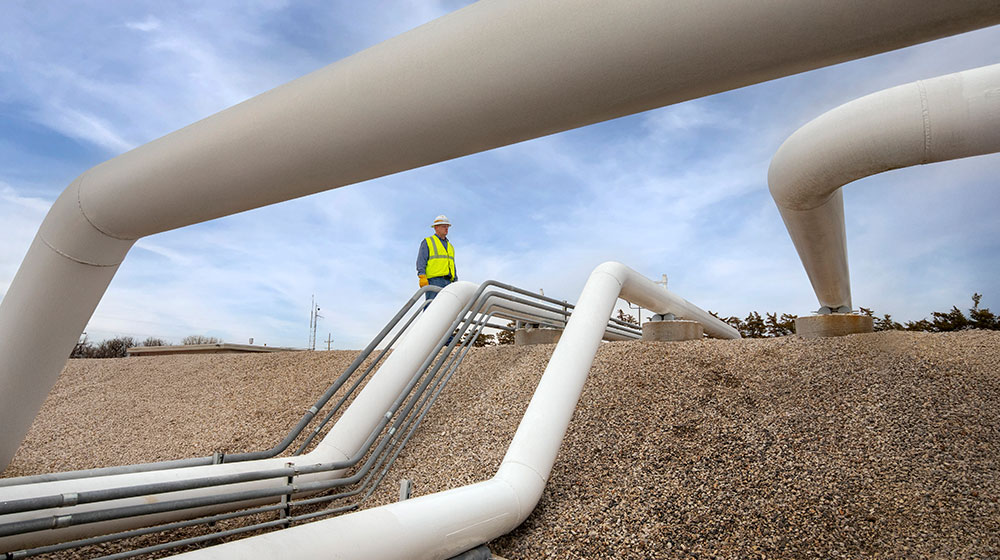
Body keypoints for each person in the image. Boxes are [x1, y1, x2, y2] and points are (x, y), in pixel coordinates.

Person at [416, 214, 457, 302]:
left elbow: (452, 265)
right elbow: (421, 261)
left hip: (449, 282)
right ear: (436, 227)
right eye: (443, 226)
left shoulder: (450, 246)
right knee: (432, 306)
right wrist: (422, 276)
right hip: (434, 280)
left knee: (447, 308)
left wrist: (455, 281)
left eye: (447, 227)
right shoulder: (428, 241)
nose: (446, 229)